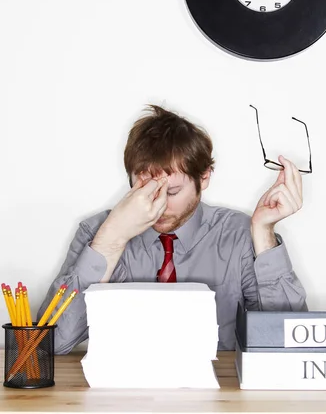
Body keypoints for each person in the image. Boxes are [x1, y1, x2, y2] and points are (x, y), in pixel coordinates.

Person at [38, 105, 307, 354]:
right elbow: (49, 345)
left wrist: (263, 232)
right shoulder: (97, 232)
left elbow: (287, 343)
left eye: (173, 191)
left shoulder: (238, 236)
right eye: (143, 189)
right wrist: (113, 238)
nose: (159, 204)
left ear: (204, 178)